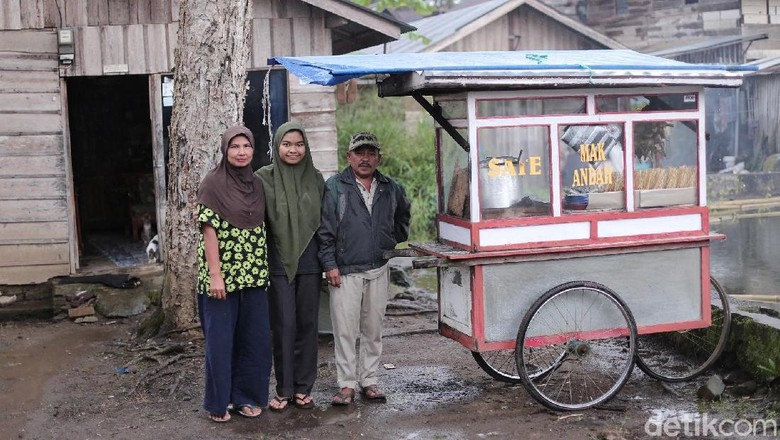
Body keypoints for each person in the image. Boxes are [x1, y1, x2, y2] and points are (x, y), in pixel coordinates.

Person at [318, 132, 411, 406]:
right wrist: (330, 264)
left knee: (373, 329)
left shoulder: (390, 187)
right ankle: (346, 384)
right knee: (345, 330)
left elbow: (403, 216)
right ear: (349, 157)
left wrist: (389, 240)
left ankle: (368, 380)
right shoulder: (335, 187)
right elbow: (324, 231)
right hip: (345, 271)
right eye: (360, 153)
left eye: (371, 153)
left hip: (379, 267)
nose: (365, 158)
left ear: (379, 158)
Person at [196, 125, 272, 423]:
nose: (241, 152)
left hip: (253, 275)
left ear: (253, 149)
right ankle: (218, 402)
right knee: (220, 341)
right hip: (222, 278)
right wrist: (216, 274)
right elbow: (208, 231)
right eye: (234, 147)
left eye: (246, 147)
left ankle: (247, 398)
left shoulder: (256, 183)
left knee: (254, 340)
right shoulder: (212, 183)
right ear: (225, 151)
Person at [256, 121, 325, 411]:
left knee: (308, 326)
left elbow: (326, 224)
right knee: (283, 325)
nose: (293, 150)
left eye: (299, 144)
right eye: (287, 144)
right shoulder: (263, 178)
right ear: (277, 146)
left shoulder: (316, 178)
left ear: (306, 147)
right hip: (278, 262)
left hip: (310, 262)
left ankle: (303, 388)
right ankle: (284, 389)